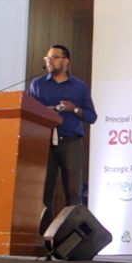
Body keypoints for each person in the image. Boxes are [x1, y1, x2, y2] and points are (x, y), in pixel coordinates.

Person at [29, 45, 97, 233]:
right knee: (43, 194)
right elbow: (28, 111)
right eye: (47, 58)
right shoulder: (37, 84)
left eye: (54, 57)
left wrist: (73, 109)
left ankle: (72, 238)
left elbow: (91, 117)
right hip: (44, 142)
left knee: (74, 194)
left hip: (71, 142)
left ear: (65, 61)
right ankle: (43, 238)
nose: (49, 61)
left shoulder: (79, 86)